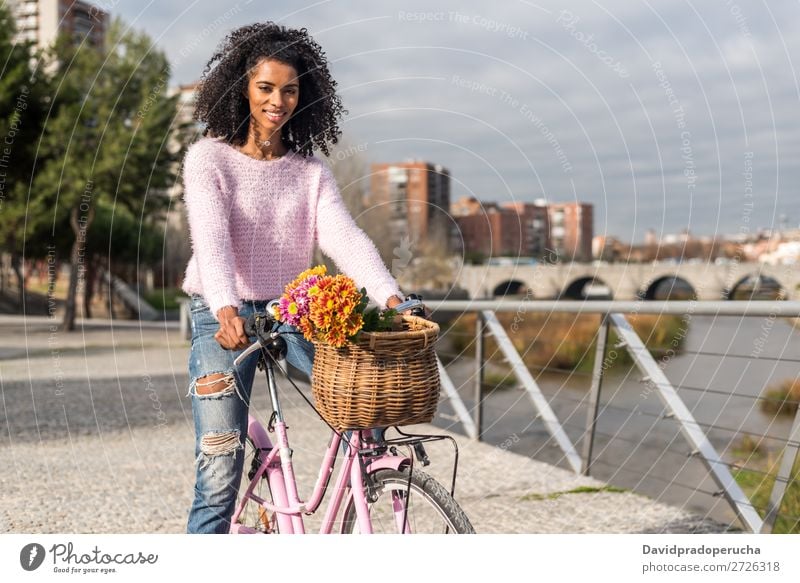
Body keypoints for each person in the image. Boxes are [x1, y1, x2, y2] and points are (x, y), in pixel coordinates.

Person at [181, 22, 407, 534]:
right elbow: (211, 241)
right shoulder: (208, 159)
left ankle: (363, 496)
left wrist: (390, 296)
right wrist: (225, 306)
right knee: (219, 469)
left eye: (290, 90)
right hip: (224, 316)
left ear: (305, 96)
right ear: (243, 87)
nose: (277, 100)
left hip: (289, 313)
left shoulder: (310, 172)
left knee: (361, 406)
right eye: (265, 87)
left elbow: (345, 238)